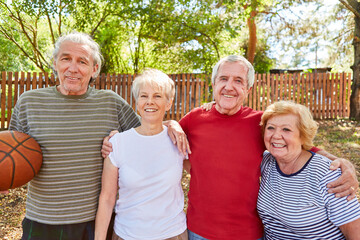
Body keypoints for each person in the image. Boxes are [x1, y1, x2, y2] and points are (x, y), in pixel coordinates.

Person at [102, 55, 359, 240]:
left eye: (238, 80)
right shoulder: (193, 119)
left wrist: (340, 163)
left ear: (248, 88)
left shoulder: (261, 123)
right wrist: (124, 137)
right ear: (213, 84)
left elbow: (294, 145)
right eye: (223, 78)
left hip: (248, 233)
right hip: (197, 231)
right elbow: (156, 134)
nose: (229, 86)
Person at [7, 32, 186, 240]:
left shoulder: (111, 102)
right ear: (55, 63)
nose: (73, 68)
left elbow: (146, 130)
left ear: (94, 69)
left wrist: (172, 124)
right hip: (42, 220)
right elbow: (11, 154)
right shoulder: (29, 102)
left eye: (82, 61)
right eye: (66, 58)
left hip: (93, 222)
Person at [95, 69, 188, 240]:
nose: (150, 102)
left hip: (172, 234)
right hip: (126, 235)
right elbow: (107, 198)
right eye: (144, 96)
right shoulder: (117, 143)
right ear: (137, 102)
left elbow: (203, 178)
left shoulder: (179, 141)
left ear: (168, 103)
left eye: (158, 96)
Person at [258, 101, 360, 239]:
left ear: (303, 136)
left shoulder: (326, 174)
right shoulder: (267, 162)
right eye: (270, 128)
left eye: (286, 129)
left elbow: (355, 233)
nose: (276, 135)